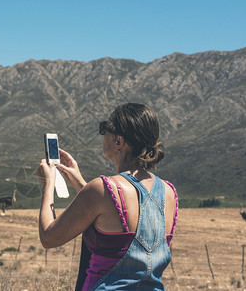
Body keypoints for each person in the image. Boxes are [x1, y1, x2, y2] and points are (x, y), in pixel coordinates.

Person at [37, 103, 178, 290]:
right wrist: (80, 182)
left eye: (105, 128)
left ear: (118, 141)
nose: (102, 134)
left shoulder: (101, 189)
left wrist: (48, 183)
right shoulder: (168, 192)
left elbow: (49, 238)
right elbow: (116, 215)